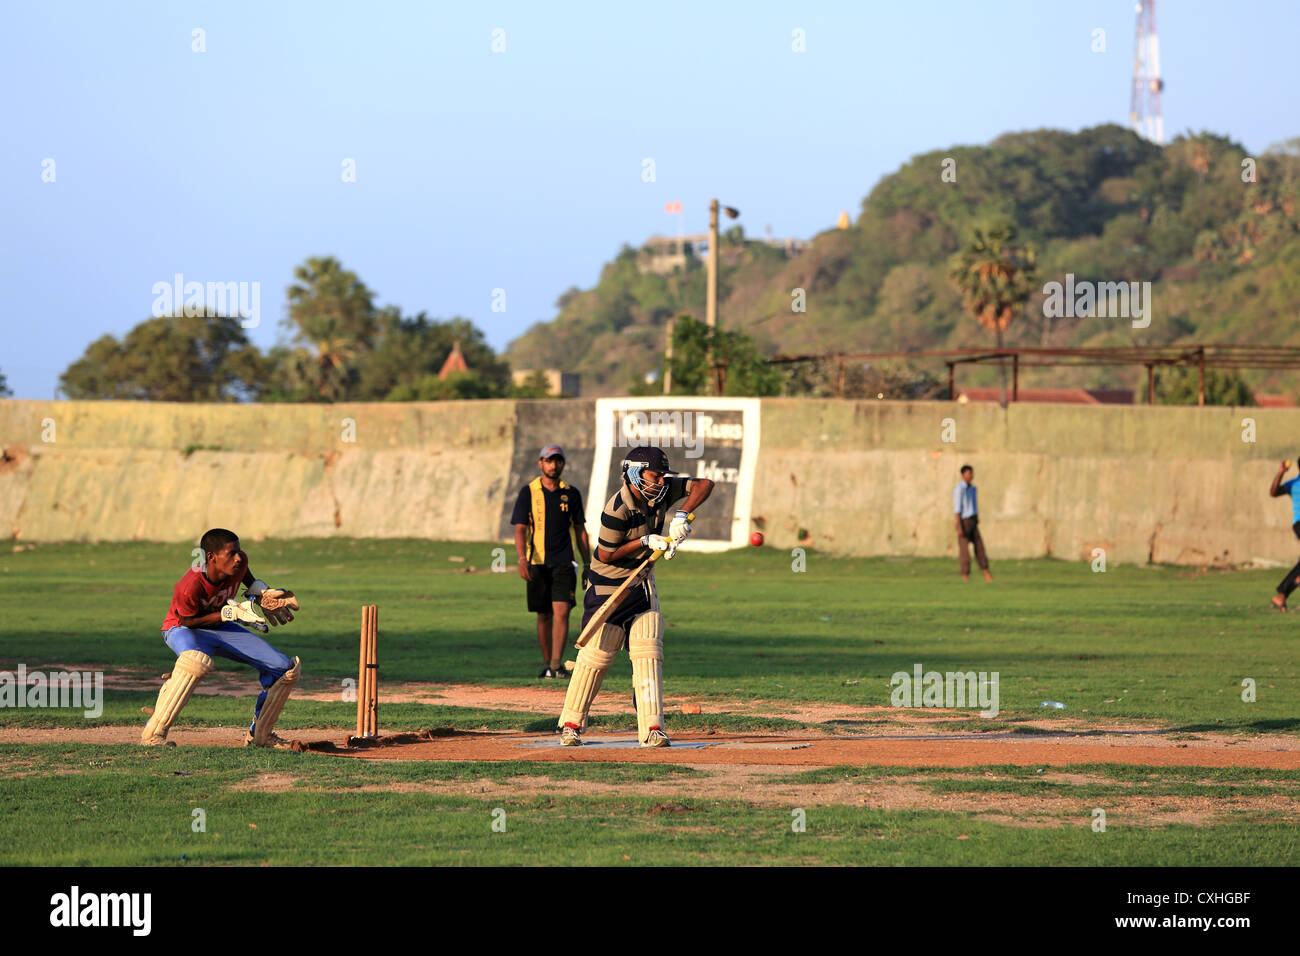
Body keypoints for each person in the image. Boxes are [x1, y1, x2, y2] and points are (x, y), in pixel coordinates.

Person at [556, 446, 713, 748]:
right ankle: (571, 725)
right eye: (655, 475)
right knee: (597, 657)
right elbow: (605, 554)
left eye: (663, 475)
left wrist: (681, 514)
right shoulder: (617, 508)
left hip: (641, 580)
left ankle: (653, 727)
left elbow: (705, 484)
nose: (661, 481)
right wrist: (643, 540)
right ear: (633, 472)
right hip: (608, 586)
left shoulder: (662, 492)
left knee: (648, 648)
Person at [142, 528, 301, 747]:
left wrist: (261, 594)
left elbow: (245, 575)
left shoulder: (240, 561)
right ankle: (153, 735)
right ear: (211, 557)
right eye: (231, 553)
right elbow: (187, 621)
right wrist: (228, 613)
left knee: (284, 668)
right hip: (182, 629)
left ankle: (260, 737)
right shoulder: (189, 585)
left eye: (238, 551)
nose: (238, 557)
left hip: (221, 626)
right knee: (194, 662)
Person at [511, 444, 591, 678]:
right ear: (540, 463)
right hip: (536, 562)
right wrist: (521, 559)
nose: (554, 465)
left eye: (558, 461)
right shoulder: (529, 492)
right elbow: (520, 529)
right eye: (549, 461)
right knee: (543, 614)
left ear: (563, 464)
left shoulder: (571, 493)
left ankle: (556, 665)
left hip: (564, 562)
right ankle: (549, 666)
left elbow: (580, 531)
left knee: (563, 611)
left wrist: (587, 564)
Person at [1269, 458, 1300, 610]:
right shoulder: (1295, 484)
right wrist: (1280, 473)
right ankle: (1282, 593)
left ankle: (1281, 596)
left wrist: (1281, 473)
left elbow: (1274, 492)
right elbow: (1273, 492)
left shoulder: (1293, 483)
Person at [954, 464, 993, 582]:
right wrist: (959, 526)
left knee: (980, 547)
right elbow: (957, 509)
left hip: (973, 520)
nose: (971, 475)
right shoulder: (959, 490)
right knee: (964, 550)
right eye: (968, 473)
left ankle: (986, 572)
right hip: (963, 521)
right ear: (963, 475)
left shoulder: (973, 489)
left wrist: (976, 518)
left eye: (971, 473)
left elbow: (974, 505)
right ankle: (965, 575)